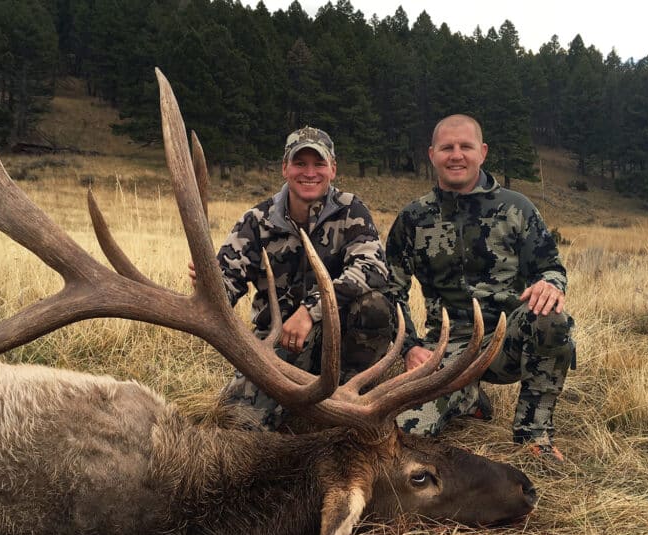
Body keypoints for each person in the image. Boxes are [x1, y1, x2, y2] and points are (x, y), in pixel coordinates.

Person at [385, 114, 576, 462]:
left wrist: (550, 284)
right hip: (447, 350)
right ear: (432, 154)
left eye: (465, 147)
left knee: (552, 320)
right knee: (403, 432)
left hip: (507, 343)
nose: (456, 155)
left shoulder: (517, 208)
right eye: (447, 148)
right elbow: (391, 292)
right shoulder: (412, 218)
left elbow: (550, 266)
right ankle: (468, 398)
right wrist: (410, 348)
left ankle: (535, 435)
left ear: (482, 152)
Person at [191, 126, 394, 431]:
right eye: (300, 163)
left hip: (335, 343)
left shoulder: (352, 211)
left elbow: (373, 268)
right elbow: (228, 283)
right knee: (239, 428)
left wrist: (310, 312)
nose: (309, 173)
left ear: (333, 169)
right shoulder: (256, 221)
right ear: (285, 168)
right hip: (276, 347)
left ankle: (350, 394)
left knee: (375, 306)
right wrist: (210, 282)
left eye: (319, 164)